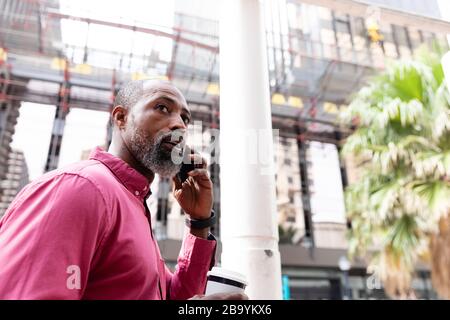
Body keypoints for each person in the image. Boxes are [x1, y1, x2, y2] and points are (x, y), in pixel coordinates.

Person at [0, 79, 246, 300]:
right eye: (162, 108)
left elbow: (175, 295)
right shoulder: (81, 187)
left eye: (185, 118)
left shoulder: (134, 204)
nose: (179, 125)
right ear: (121, 118)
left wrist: (199, 222)